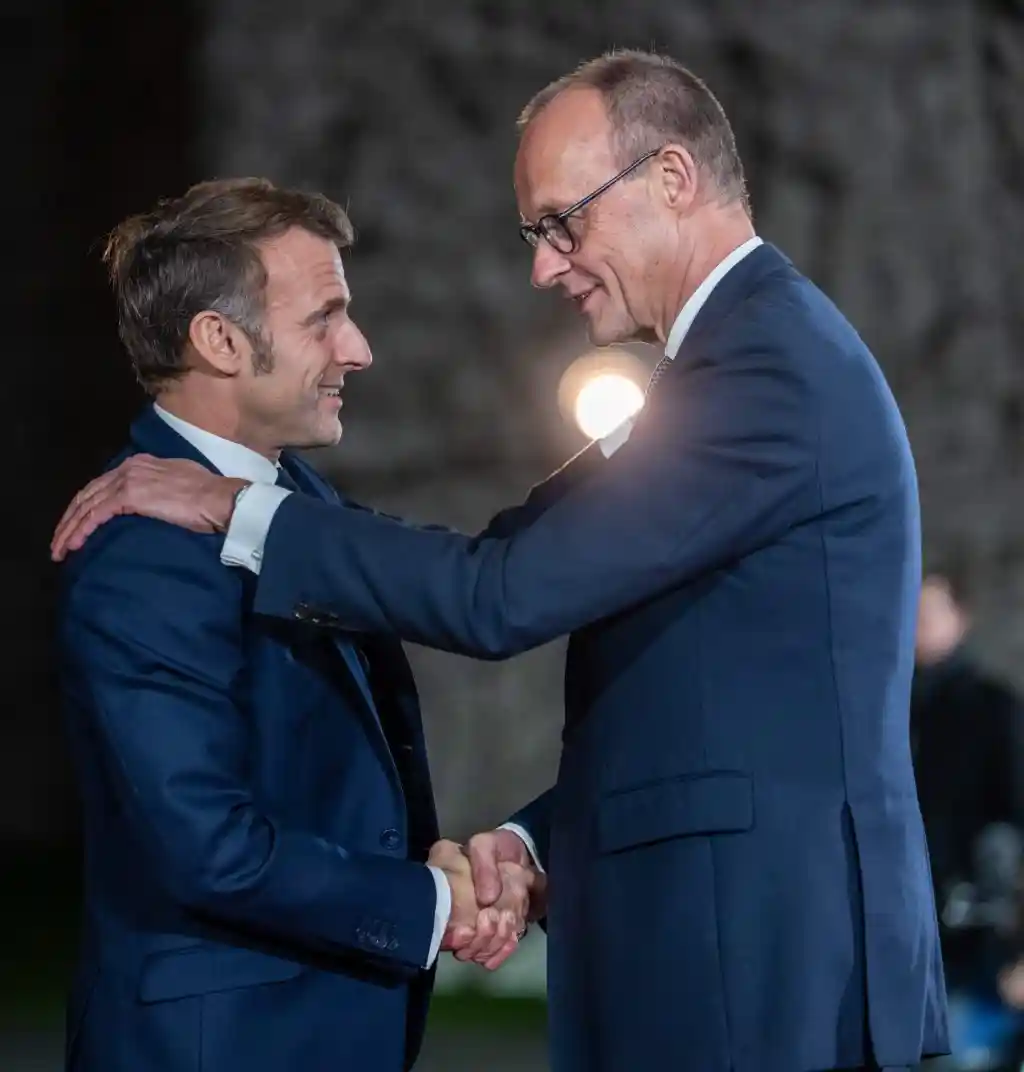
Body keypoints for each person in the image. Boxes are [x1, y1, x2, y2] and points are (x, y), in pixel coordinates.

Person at [52, 51, 948, 1072]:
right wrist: (521, 848)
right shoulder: (730, 369)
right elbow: (579, 609)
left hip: (767, 977)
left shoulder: (763, 372)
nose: (545, 267)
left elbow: (497, 595)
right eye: (537, 234)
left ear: (671, 177)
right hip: (733, 971)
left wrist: (234, 505)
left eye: (564, 222)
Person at [53, 178, 534, 1072]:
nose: (360, 349)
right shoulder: (139, 555)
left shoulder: (295, 500)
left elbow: (463, 580)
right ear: (220, 341)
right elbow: (210, 850)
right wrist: (430, 903)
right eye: (325, 318)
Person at [912, 569, 1024, 1069]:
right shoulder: (886, 713)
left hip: (977, 945)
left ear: (960, 617)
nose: (918, 625)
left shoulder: (995, 709)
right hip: (902, 940)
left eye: (930, 613)